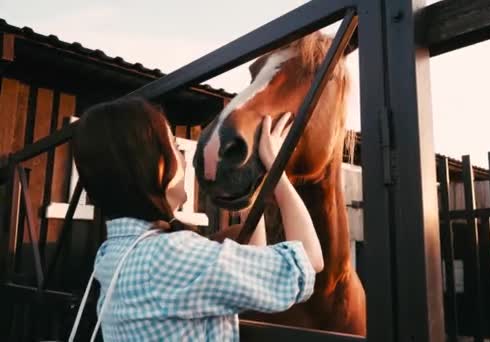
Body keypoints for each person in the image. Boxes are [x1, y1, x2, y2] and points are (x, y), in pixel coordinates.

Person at [69, 97, 323, 341]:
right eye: (176, 149)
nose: (183, 160)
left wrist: (248, 195)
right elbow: (307, 262)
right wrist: (278, 170)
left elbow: (246, 275)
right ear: (157, 166)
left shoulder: (112, 253)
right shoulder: (168, 256)